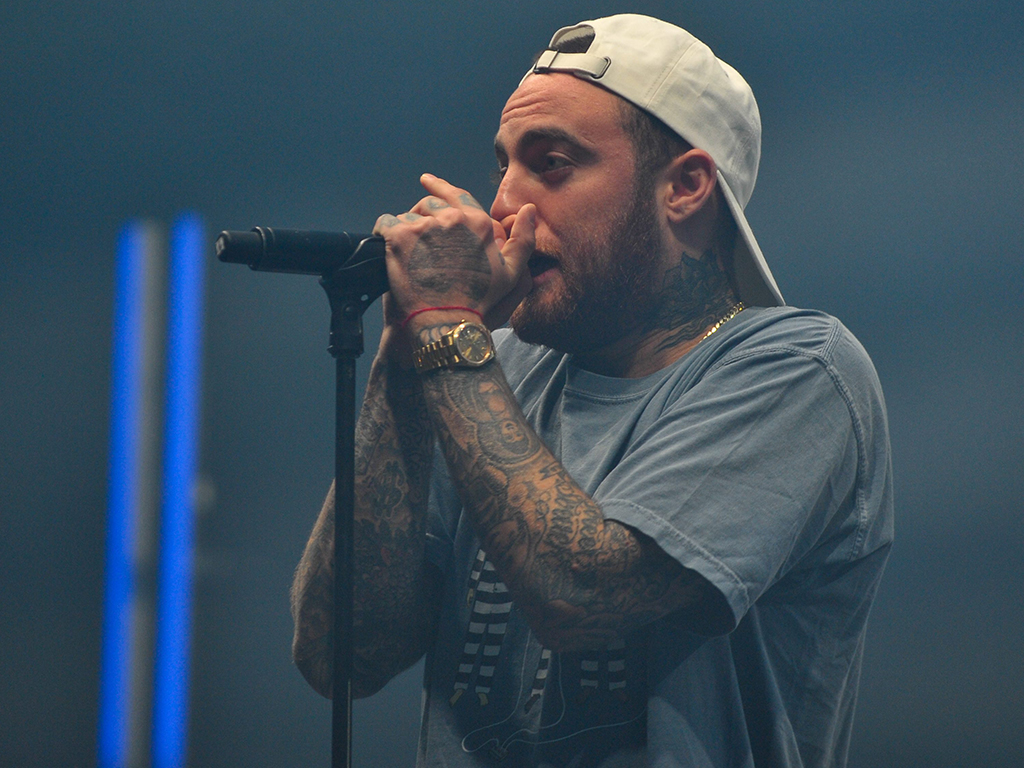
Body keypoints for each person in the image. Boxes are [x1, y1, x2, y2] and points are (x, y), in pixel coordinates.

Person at [291, 14, 893, 768]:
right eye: (503, 166)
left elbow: (581, 594)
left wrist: (445, 326)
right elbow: (338, 656)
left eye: (552, 164)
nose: (503, 205)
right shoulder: (482, 367)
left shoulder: (800, 371)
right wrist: (405, 356)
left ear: (685, 187)